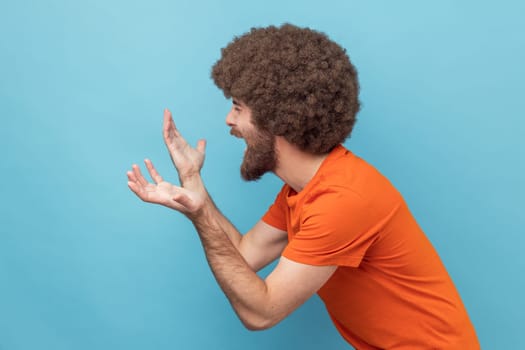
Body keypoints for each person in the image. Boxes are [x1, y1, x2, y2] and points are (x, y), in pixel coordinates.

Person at [126, 24, 480, 349]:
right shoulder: (304, 189)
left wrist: (203, 215)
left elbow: (260, 313)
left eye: (237, 107)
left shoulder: (342, 200)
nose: (229, 120)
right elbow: (245, 257)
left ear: (275, 114)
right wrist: (193, 184)